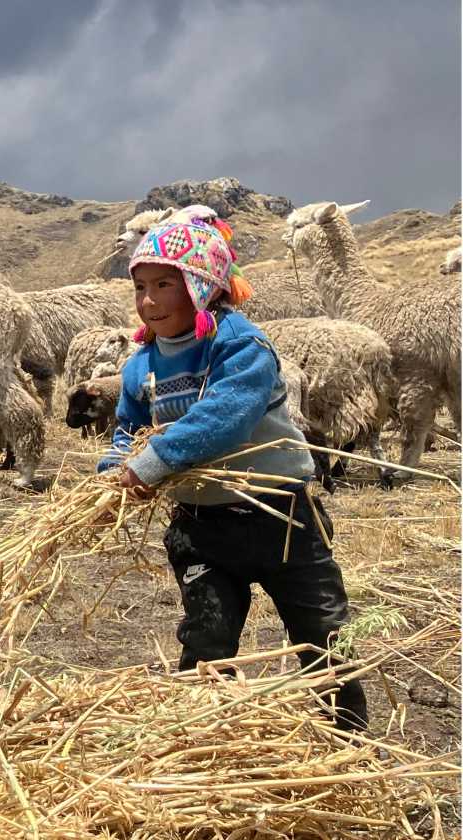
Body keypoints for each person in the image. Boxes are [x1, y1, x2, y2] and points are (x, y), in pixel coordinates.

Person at [98, 211, 367, 732]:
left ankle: (349, 741)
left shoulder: (239, 344)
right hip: (203, 525)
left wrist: (150, 465)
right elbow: (128, 433)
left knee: (324, 633)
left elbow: (226, 416)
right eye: (139, 287)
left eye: (163, 285)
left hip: (282, 518)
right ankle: (201, 738)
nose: (147, 301)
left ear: (200, 286)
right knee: (206, 638)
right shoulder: (140, 366)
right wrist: (114, 473)